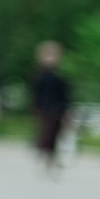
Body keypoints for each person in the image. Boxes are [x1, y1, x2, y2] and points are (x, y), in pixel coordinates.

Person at [31, 40, 71, 169]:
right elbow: (37, 94)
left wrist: (66, 110)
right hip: (46, 108)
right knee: (47, 133)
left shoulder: (58, 75)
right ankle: (47, 155)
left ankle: (50, 155)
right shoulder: (41, 76)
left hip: (57, 108)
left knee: (56, 133)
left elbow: (64, 95)